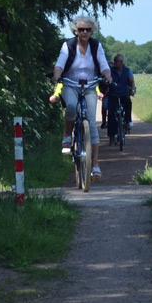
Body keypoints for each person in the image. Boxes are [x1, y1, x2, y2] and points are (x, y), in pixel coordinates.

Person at [49, 16, 111, 181]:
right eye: (81, 29)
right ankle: (67, 136)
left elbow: (104, 65)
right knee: (70, 106)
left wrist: (107, 76)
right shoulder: (68, 45)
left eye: (88, 30)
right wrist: (57, 76)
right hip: (70, 84)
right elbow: (60, 64)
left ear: (92, 31)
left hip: (90, 86)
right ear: (75, 31)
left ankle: (95, 164)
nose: (84, 32)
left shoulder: (96, 46)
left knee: (91, 122)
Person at [105, 53, 136, 140]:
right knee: (111, 113)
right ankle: (112, 135)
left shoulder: (127, 71)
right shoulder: (110, 70)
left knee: (128, 103)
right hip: (113, 94)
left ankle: (128, 121)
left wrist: (132, 90)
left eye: (117, 61)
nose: (115, 63)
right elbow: (106, 80)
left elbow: (132, 82)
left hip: (124, 93)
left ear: (121, 62)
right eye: (114, 61)